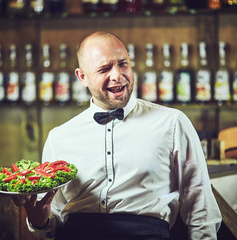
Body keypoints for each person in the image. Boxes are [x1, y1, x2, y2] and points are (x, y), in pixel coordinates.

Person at [13, 31, 222, 240]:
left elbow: (200, 205)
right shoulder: (59, 137)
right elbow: (52, 224)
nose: (117, 76)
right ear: (82, 77)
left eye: (123, 64)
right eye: (104, 69)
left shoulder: (172, 123)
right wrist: (39, 220)